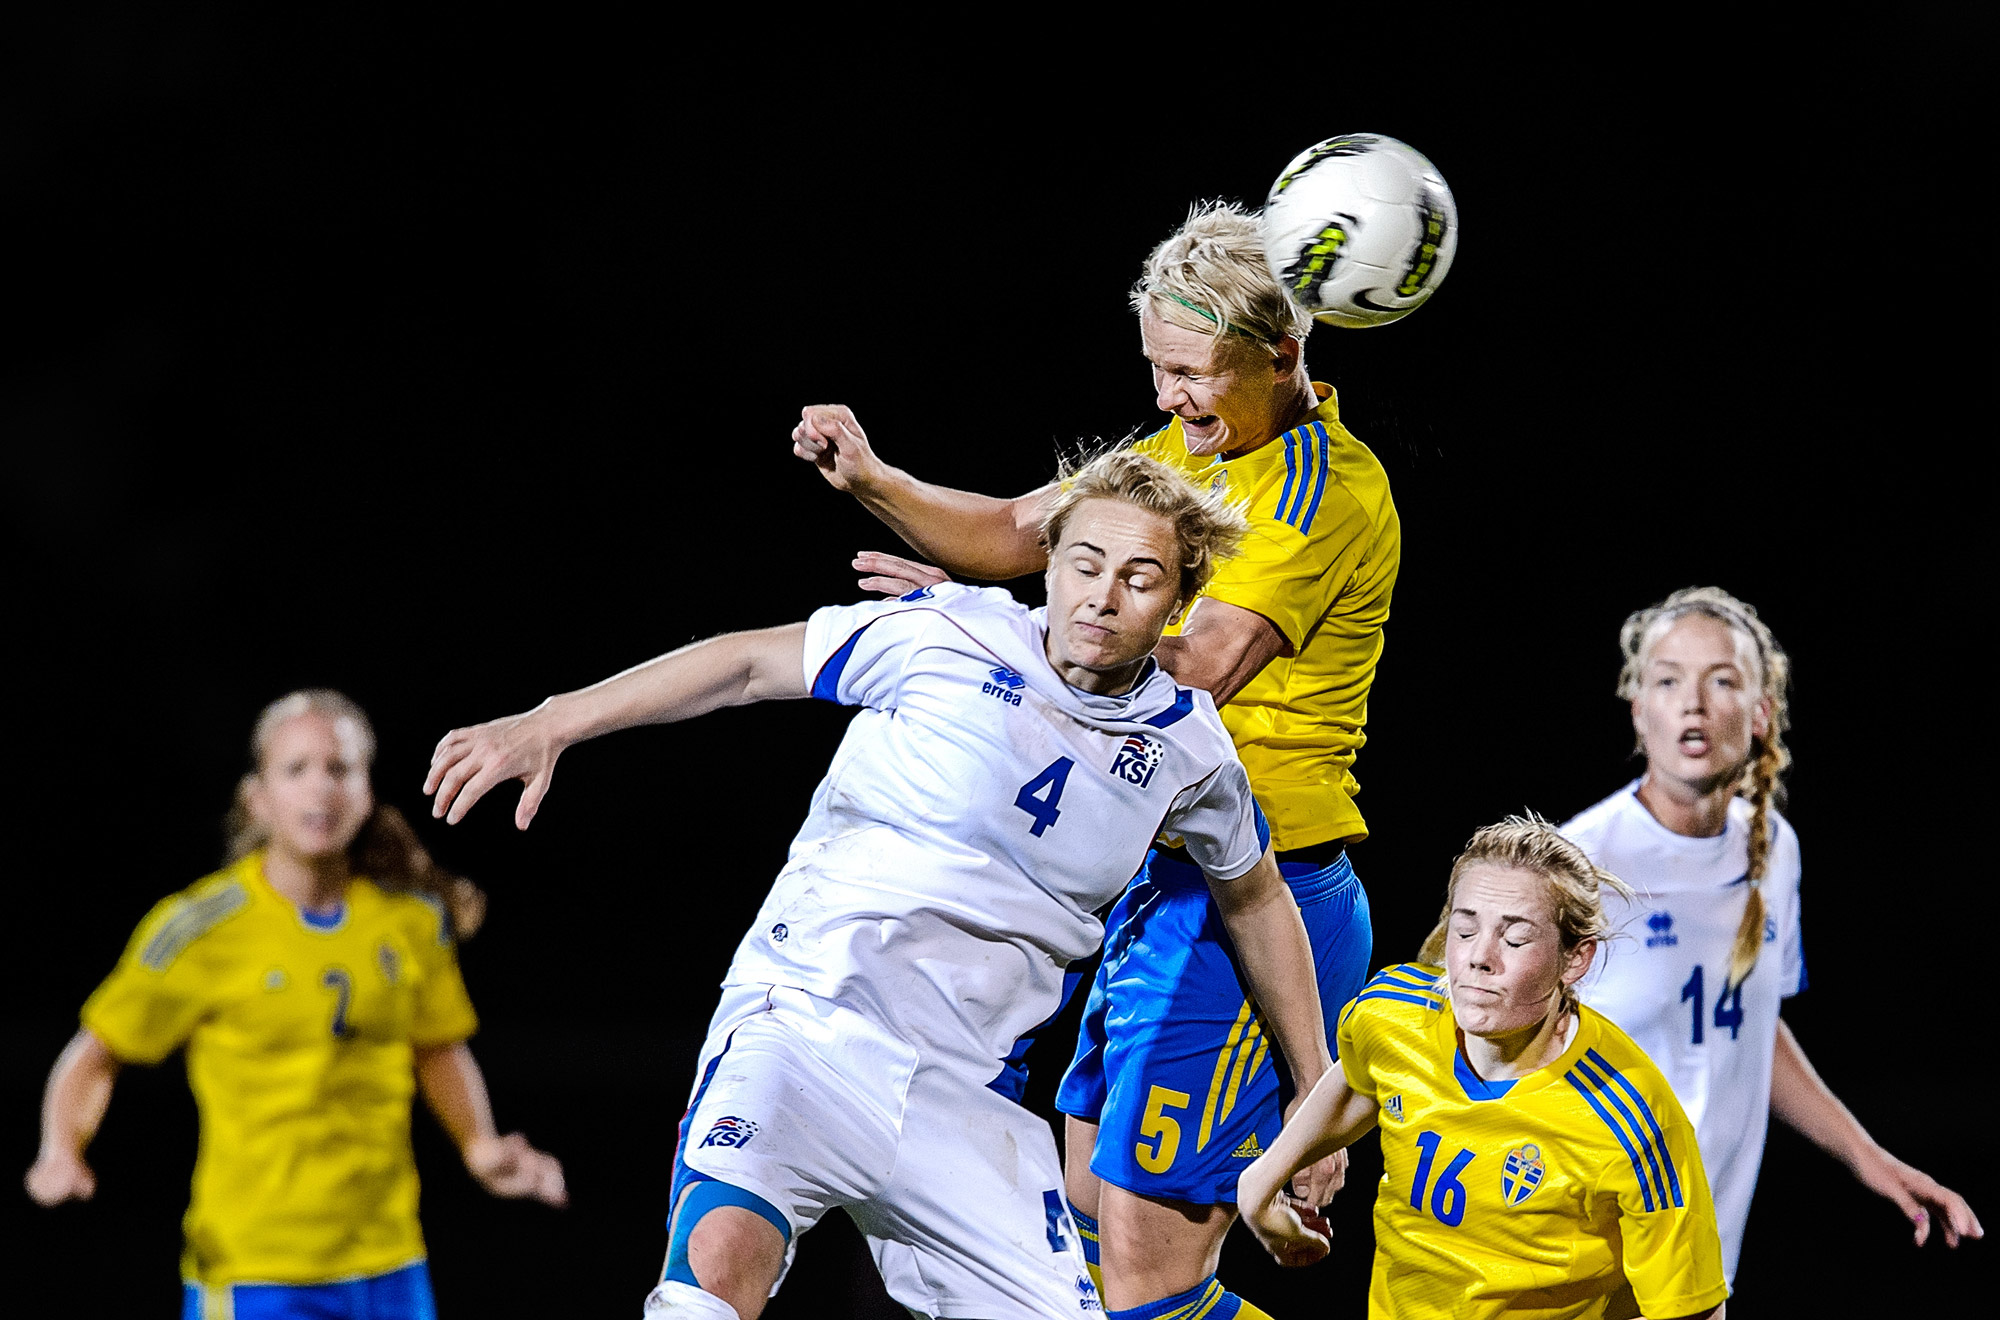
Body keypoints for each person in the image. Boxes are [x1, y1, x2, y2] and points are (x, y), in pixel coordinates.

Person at [423, 451, 1334, 1320]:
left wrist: (1312, 1080)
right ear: (1048, 562)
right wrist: (554, 722)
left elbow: (1255, 898)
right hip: (805, 1026)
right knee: (707, 1286)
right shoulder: (948, 630)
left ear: (1181, 600)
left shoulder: (1189, 747)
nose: (1103, 594)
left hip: (964, 1096)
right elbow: (746, 664)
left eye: (1141, 577)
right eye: (1086, 562)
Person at [791, 201, 1395, 1318]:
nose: (1168, 396)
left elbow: (1198, 668)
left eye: (1190, 372)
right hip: (1147, 886)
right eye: (1156, 368)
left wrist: (999, 630)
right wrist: (875, 478)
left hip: (1255, 904)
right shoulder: (1167, 457)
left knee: (1144, 1282)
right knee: (1077, 1231)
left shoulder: (1325, 489)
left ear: (1282, 351)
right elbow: (1020, 535)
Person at [25, 689, 566, 1320]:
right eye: (297, 769)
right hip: (255, 1269)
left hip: (388, 1263)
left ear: (366, 791)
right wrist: (61, 1149)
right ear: (258, 798)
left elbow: (437, 1048)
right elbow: (95, 1055)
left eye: (339, 769)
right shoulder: (201, 928)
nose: (321, 789)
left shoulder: (410, 921)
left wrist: (482, 1147)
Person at [1566, 587, 1981, 1283]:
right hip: (1582, 1253)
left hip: (1702, 1260)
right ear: (1640, 710)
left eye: (1721, 680)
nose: (1693, 702)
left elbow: (1750, 1023)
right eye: (1668, 680)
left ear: (1760, 714)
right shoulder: (1576, 863)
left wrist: (1867, 1157)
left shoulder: (1774, 848)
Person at [1239, 816, 1730, 1320]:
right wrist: (1261, 1180)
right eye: (1466, 928)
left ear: (1575, 960)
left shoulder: (1632, 1121)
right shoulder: (1393, 1012)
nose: (1479, 958)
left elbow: (1694, 1313)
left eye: (1515, 940)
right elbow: (1359, 1076)